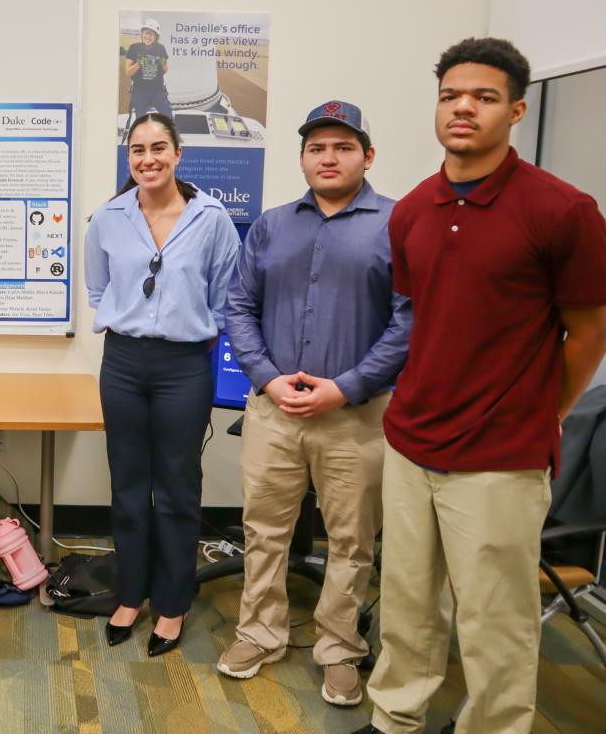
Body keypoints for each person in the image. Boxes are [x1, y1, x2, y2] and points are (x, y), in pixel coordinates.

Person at [357, 38, 606, 734]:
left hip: (501, 456)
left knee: (497, 623)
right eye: (450, 96)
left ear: (516, 110)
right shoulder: (411, 211)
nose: (463, 107)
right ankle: (396, 717)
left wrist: (543, 413)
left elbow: (588, 332)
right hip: (411, 442)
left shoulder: (563, 211)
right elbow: (425, 321)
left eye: (484, 97)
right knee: (407, 604)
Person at [219, 101, 410, 706]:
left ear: (367, 156)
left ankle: (339, 648)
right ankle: (260, 631)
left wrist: (346, 386)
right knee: (263, 528)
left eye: (343, 147)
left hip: (356, 414)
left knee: (351, 541)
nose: (328, 158)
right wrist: (268, 379)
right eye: (317, 148)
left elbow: (410, 320)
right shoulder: (274, 225)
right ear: (302, 158)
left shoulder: (398, 223)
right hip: (274, 411)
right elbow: (238, 307)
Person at [85, 111, 240, 656]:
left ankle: (171, 605)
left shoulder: (211, 219)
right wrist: (131, 321)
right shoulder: (107, 218)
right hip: (123, 363)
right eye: (137, 151)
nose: (147, 159)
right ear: (128, 159)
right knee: (128, 486)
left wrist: (182, 333)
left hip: (184, 367)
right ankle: (130, 595)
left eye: (158, 149)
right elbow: (98, 291)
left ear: (178, 155)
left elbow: (225, 298)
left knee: (176, 488)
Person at [126, 18, 173, 120]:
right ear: (142, 33)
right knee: (140, 122)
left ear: (155, 37)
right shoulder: (134, 48)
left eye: (151, 34)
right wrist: (139, 64)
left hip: (158, 92)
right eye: (146, 33)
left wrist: (161, 61)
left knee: (169, 119)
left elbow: (165, 69)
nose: (148, 36)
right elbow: (128, 72)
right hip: (140, 92)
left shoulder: (161, 48)